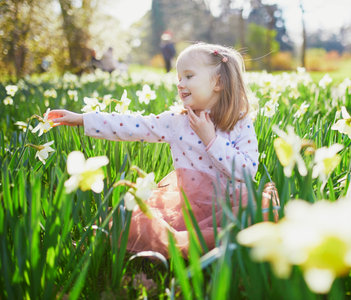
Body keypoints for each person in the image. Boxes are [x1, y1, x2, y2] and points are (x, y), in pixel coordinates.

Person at [47, 43, 276, 257]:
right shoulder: (177, 122)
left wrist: (210, 138)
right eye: (178, 78)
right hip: (189, 209)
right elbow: (131, 125)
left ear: (218, 83)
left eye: (188, 76)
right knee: (139, 222)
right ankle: (164, 260)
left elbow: (246, 172)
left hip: (232, 207)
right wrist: (82, 119)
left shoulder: (239, 122)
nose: (180, 84)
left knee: (254, 222)